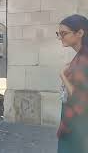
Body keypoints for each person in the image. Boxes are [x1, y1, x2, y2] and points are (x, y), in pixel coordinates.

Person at [57, 14, 88, 153]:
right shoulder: (81, 55)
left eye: (64, 33)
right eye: (59, 33)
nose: (60, 37)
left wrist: (63, 75)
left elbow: (79, 99)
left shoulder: (84, 59)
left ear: (80, 33)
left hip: (78, 125)